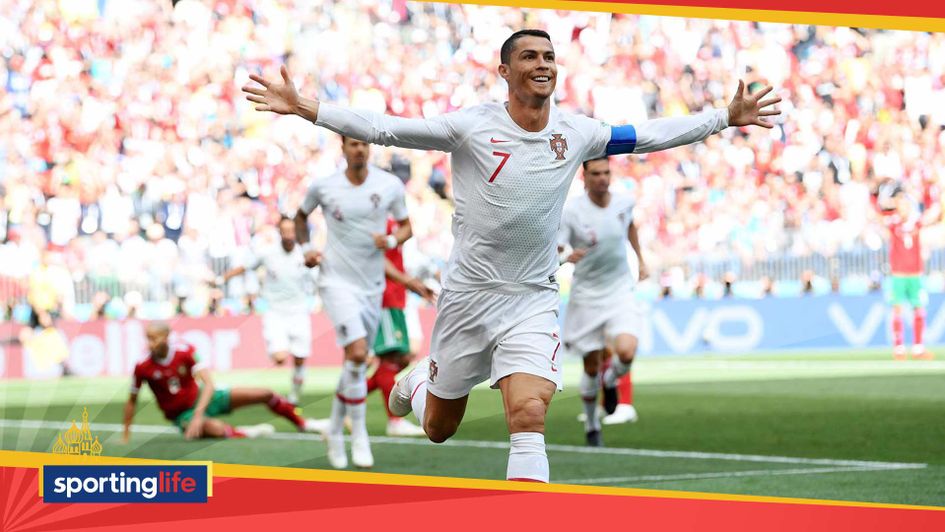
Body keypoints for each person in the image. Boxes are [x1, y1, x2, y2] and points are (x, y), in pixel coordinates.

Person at [244, 29, 779, 482]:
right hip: (468, 300)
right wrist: (306, 108)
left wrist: (723, 117)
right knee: (438, 429)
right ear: (504, 70)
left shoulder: (578, 132)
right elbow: (385, 128)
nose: (542, 64)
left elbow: (648, 137)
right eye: (529, 56)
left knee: (528, 413)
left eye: (549, 57)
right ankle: (421, 377)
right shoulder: (471, 126)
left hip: (533, 299)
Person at [294, 136, 412, 469]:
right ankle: (358, 433)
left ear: (369, 148)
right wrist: (307, 251)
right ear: (343, 148)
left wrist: (389, 239)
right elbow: (300, 218)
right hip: (335, 281)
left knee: (357, 362)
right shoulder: (324, 186)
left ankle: (333, 428)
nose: (359, 149)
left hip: (372, 285)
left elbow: (406, 228)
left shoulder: (388, 185)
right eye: (353, 144)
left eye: (364, 144)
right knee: (358, 353)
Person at [558, 157, 646, 446]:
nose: (602, 178)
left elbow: (630, 226)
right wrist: (565, 256)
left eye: (606, 172)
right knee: (591, 366)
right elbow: (558, 245)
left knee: (627, 351)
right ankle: (592, 425)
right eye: (596, 173)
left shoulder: (624, 202)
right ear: (585, 177)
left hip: (619, 289)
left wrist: (641, 260)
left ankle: (611, 382)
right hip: (586, 295)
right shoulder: (571, 211)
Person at [122, 322, 324, 443]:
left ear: (166, 337)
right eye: (147, 338)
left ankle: (302, 424)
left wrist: (198, 414)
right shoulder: (142, 366)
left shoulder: (185, 351)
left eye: (153, 338)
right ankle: (247, 432)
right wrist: (126, 434)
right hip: (182, 415)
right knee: (216, 430)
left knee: (265, 394)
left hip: (204, 398)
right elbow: (132, 400)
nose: (149, 343)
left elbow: (208, 384)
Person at [217, 216, 319, 408]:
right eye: (285, 231)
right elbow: (245, 267)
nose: (289, 235)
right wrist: (223, 278)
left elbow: (319, 275)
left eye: (292, 231)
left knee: (300, 358)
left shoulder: (304, 255)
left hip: (298, 311)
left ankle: (294, 396)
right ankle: (284, 345)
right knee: (280, 358)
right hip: (275, 312)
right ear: (279, 233)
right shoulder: (268, 253)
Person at [367, 218, 437, 437]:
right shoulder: (377, 220)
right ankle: (394, 421)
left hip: (397, 296)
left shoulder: (395, 222)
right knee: (392, 358)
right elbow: (376, 257)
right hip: (386, 295)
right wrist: (407, 281)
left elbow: (405, 234)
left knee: (404, 356)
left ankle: (351, 399)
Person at [876, 182, 939, 360]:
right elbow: (877, 214)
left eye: (905, 205)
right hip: (898, 274)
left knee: (918, 309)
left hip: (915, 274)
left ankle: (918, 348)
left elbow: (933, 214)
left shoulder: (916, 223)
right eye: (900, 205)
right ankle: (899, 348)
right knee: (897, 310)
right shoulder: (892, 223)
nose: (902, 208)